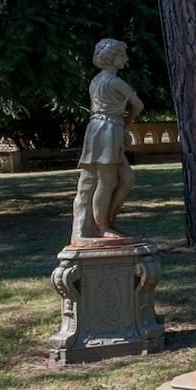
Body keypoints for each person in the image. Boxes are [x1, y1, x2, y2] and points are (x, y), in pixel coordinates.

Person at [73, 38, 142, 242]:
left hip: (98, 128)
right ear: (113, 58)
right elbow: (138, 105)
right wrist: (127, 123)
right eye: (122, 55)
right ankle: (102, 227)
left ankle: (107, 221)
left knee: (127, 178)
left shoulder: (95, 81)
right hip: (109, 129)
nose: (125, 59)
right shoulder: (115, 82)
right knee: (107, 181)